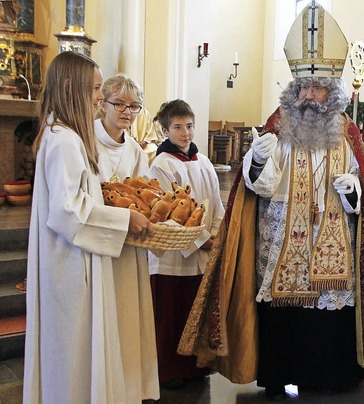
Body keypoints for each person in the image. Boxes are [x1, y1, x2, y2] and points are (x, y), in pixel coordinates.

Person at [178, 2, 364, 400]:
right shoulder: (277, 128)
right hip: (281, 238)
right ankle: (279, 376)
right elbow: (257, 188)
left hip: (333, 241)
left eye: (318, 88)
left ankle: (329, 376)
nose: (310, 96)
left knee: (327, 312)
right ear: (293, 90)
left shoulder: (349, 134)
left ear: (332, 93)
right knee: (281, 311)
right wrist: (255, 161)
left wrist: (354, 193)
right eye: (303, 87)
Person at [23, 51, 153, 403]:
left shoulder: (61, 133)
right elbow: (68, 212)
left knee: (73, 352)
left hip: (71, 257)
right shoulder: (65, 140)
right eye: (96, 88)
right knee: (74, 351)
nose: (99, 97)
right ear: (72, 86)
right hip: (70, 262)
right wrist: (125, 219)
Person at [148, 99, 225, 387]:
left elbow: (217, 206)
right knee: (171, 313)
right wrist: (201, 240)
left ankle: (195, 366)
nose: (185, 133)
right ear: (165, 130)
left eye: (189, 126)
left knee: (196, 311)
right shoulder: (161, 164)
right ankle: (168, 370)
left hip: (202, 252)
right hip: (172, 255)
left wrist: (216, 234)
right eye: (178, 127)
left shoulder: (203, 162)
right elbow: (165, 211)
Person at [95, 74, 159, 402]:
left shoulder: (134, 149)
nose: (126, 111)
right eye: (118, 104)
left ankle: (129, 388)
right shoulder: (85, 142)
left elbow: (145, 191)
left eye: (133, 106)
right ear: (101, 103)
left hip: (129, 246)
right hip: (99, 244)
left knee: (128, 318)